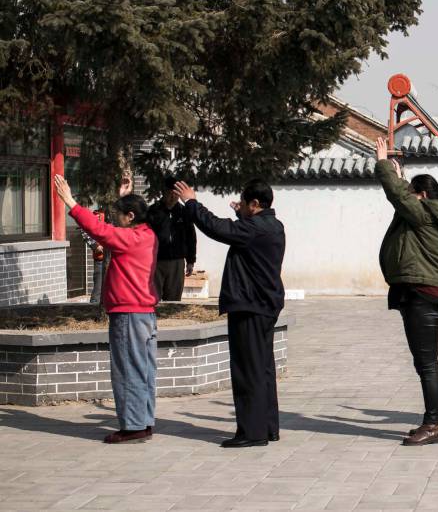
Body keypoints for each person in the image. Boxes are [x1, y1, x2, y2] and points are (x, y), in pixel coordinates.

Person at [174, 178, 285, 448]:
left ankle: (252, 432)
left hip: (249, 305)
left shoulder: (254, 229)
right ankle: (267, 427)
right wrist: (242, 215)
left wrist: (192, 202)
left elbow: (216, 227)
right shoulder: (273, 225)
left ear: (255, 204)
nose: (241, 206)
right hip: (264, 305)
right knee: (263, 368)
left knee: (247, 370)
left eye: (244, 203)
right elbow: (242, 232)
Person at [373, 138, 438, 446]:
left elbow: (399, 197)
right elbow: (403, 199)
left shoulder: (425, 212)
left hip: (423, 296)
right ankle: (431, 422)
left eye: (413, 194)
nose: (408, 200)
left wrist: (385, 166)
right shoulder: (427, 212)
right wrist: (402, 180)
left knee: (427, 363)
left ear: (422, 195)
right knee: (423, 362)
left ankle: (433, 424)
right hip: (420, 294)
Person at [53, 174, 159, 444]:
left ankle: (133, 426)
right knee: (144, 370)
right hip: (144, 313)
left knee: (128, 369)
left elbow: (101, 231)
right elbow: (116, 230)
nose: (115, 220)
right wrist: (124, 196)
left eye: (119, 216)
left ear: (131, 216)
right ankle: (143, 421)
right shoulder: (147, 234)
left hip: (129, 314)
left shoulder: (130, 239)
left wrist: (71, 203)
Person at [147, 176, 196, 301]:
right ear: (164, 192)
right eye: (170, 193)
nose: (173, 197)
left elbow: (191, 237)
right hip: (156, 261)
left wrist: (191, 260)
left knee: (173, 299)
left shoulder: (184, 211)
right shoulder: (153, 211)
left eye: (176, 194)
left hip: (177, 261)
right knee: (153, 298)